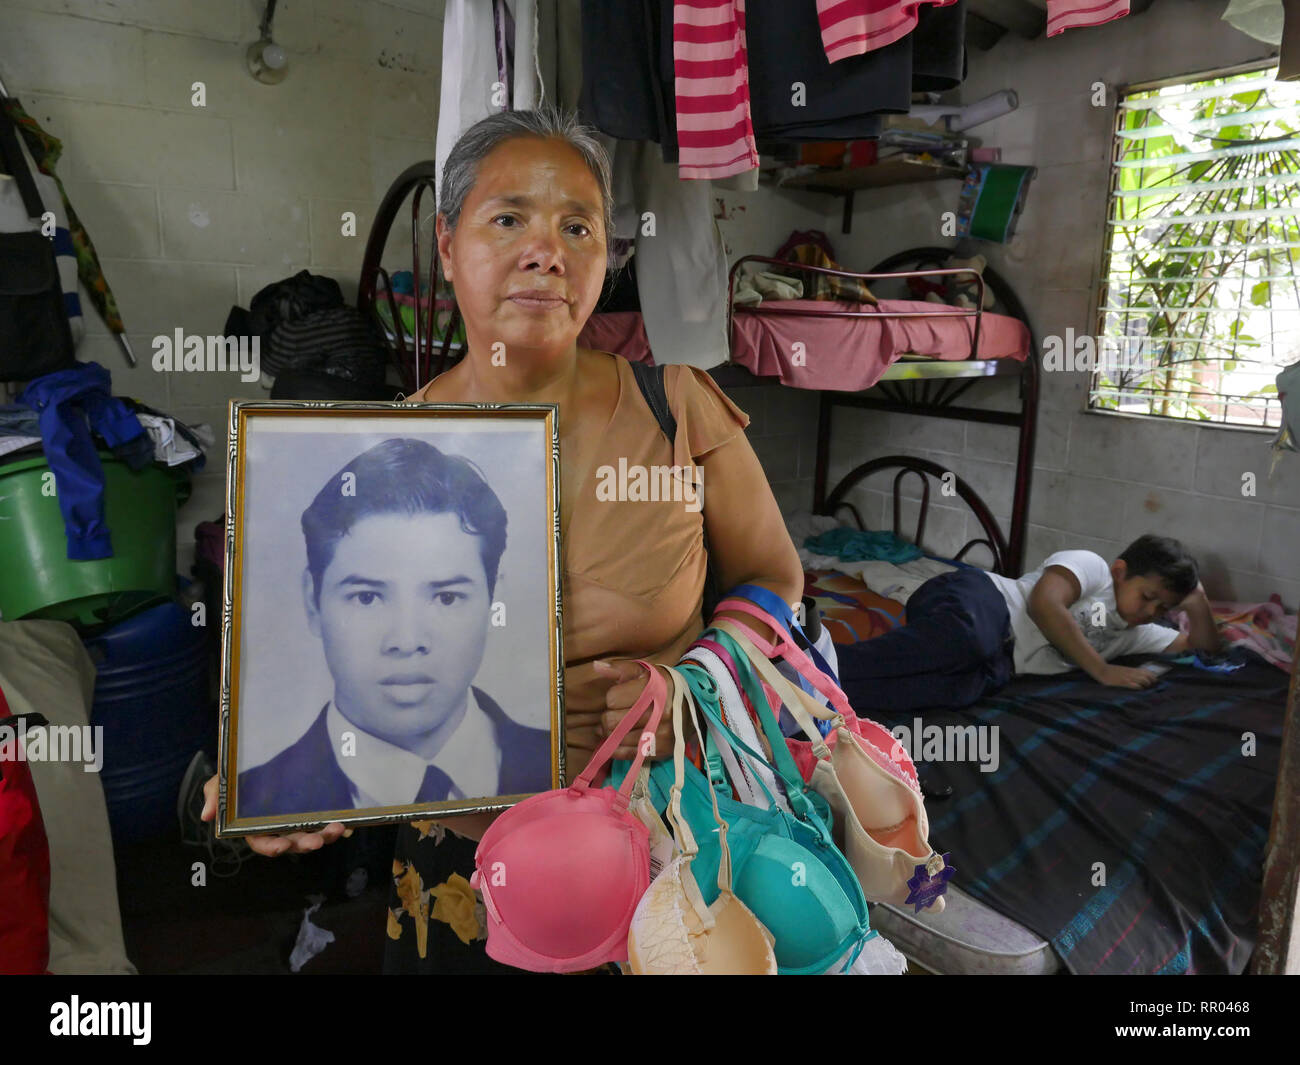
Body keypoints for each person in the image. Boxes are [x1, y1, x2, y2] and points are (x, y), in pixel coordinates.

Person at [201, 106, 804, 973]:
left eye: (578, 226)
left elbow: (775, 576)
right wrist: (276, 780)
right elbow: (319, 674)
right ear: (448, 245)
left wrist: (694, 688)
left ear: (606, 256)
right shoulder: (375, 456)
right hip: (466, 870)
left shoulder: (678, 407)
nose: (546, 250)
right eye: (509, 217)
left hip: (665, 846)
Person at [236, 438, 550, 819]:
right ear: (312, 601)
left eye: (446, 597)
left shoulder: (563, 772)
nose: (406, 641)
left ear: (493, 600)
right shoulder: (256, 802)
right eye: (367, 597)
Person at [835, 533, 1223, 713]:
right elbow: (1044, 604)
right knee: (966, 641)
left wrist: (1199, 604)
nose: (1151, 611)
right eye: (1148, 597)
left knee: (950, 691)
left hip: (999, 662)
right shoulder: (1094, 569)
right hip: (980, 600)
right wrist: (1101, 670)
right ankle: (818, 662)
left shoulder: (1138, 634)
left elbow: (1202, 649)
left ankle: (819, 697)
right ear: (1121, 571)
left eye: (1163, 608)